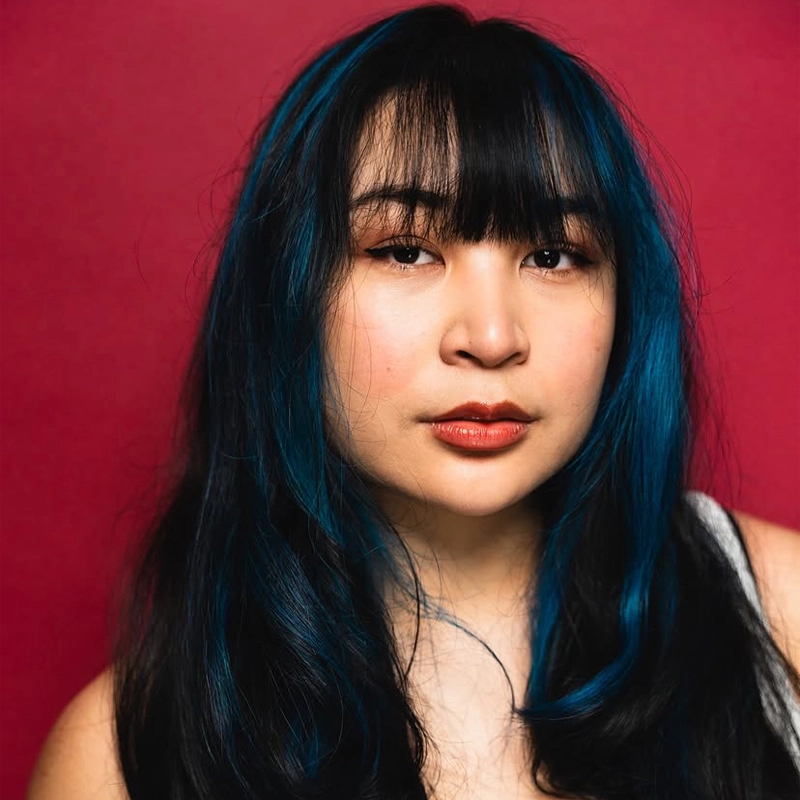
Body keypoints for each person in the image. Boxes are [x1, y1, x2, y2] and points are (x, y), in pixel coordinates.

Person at [27, 5, 800, 799]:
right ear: (289, 293)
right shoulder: (122, 758)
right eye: (405, 250)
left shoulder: (782, 616)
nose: (492, 336)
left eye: (553, 254)